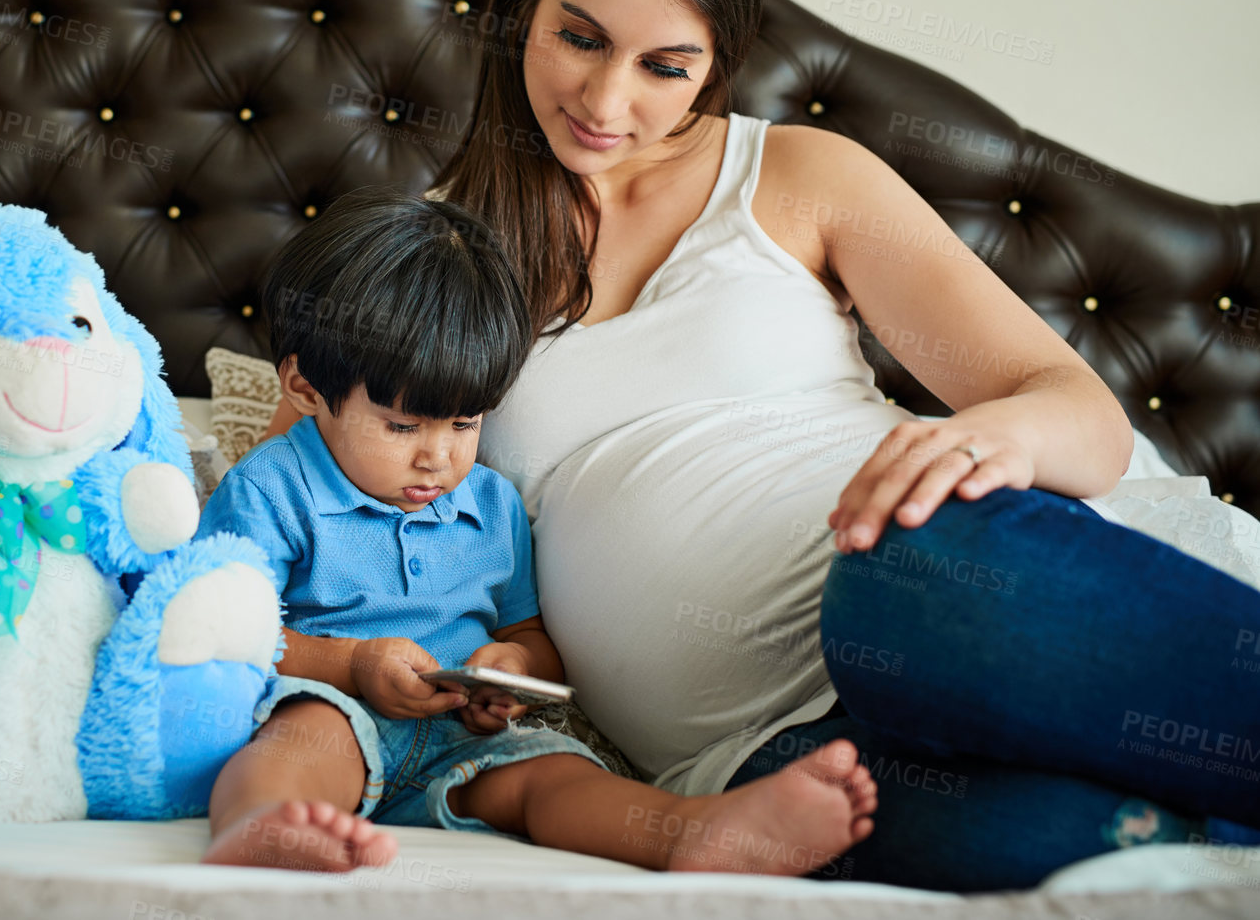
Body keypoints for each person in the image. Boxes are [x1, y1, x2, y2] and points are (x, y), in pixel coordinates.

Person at [255, 0, 1260, 891]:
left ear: (717, 62)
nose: (606, 105)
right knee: (1089, 849)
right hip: (759, 764)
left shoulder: (797, 175)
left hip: (918, 583)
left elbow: (1084, 418)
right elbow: (276, 546)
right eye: (579, 38)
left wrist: (977, 436)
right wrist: (467, 666)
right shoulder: (419, 261)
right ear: (522, 9)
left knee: (897, 585)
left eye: (664, 67)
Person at [197, 188, 878, 875]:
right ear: (305, 388)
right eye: (402, 426)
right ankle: (261, 825)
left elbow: (529, 638)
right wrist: (348, 666)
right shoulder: (270, 487)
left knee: (553, 778)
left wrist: (511, 673)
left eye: (465, 423)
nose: (438, 456)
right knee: (306, 739)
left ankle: (689, 831)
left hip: (461, 736)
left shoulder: (489, 502)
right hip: (335, 706)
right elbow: (211, 626)